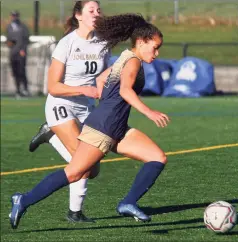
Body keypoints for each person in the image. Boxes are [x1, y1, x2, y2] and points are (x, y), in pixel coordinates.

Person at [9, 13, 170, 230]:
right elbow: (125, 90)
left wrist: (108, 104)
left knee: (156, 157)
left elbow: (101, 79)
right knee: (75, 173)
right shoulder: (133, 62)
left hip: (116, 126)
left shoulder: (126, 56)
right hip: (103, 128)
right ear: (141, 42)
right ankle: (23, 199)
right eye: (155, 47)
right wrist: (148, 112)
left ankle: (128, 202)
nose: (157, 53)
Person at [27, 1, 111, 223]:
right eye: (91, 11)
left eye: (98, 10)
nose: (96, 14)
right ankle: (75, 212)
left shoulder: (103, 43)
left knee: (92, 170)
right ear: (78, 16)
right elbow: (53, 86)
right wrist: (84, 89)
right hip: (60, 104)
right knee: (82, 162)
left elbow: (103, 75)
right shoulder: (67, 44)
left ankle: (50, 134)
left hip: (86, 108)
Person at [6, 10, 30, 99]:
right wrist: (9, 43)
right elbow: (8, 39)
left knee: (21, 71)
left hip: (21, 53)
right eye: (12, 16)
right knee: (15, 72)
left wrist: (23, 50)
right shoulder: (9, 27)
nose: (14, 17)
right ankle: (18, 90)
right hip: (13, 53)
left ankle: (25, 89)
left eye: (15, 16)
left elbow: (26, 40)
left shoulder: (23, 27)